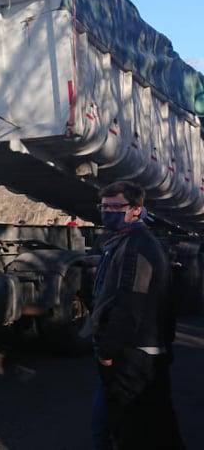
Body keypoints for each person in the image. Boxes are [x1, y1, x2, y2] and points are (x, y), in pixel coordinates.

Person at [86, 181, 183, 449]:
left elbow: (130, 304)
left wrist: (107, 351)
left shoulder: (138, 246)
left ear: (137, 210)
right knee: (138, 426)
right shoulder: (123, 241)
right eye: (104, 206)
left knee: (127, 430)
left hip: (133, 355)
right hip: (137, 353)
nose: (108, 212)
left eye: (116, 206)